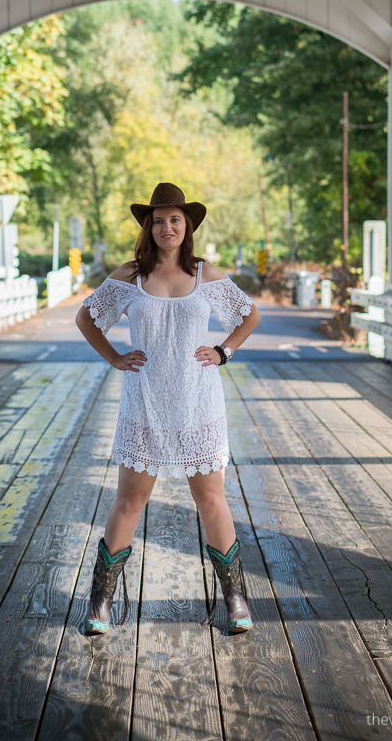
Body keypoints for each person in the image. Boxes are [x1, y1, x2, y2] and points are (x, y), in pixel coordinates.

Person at [75, 182, 261, 635]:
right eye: (158, 220)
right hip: (146, 405)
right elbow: (86, 317)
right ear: (148, 226)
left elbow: (249, 315)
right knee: (130, 499)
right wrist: (115, 358)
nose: (167, 227)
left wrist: (224, 351)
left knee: (211, 499)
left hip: (199, 403)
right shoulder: (131, 276)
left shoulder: (204, 274)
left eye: (175, 219)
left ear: (188, 225)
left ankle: (235, 599)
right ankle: (101, 602)